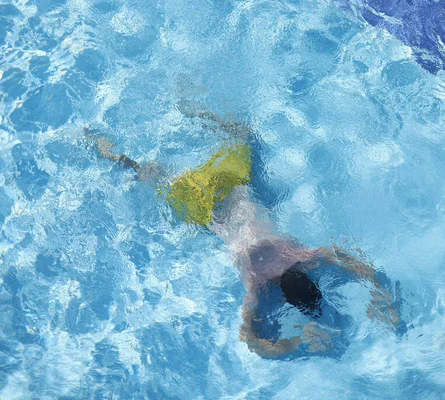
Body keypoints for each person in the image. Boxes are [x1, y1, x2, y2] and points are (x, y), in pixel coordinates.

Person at [84, 106, 405, 358]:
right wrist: (297, 345)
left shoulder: (302, 257)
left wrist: (382, 294)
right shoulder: (259, 284)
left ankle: (189, 111)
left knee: (243, 135)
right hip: (203, 207)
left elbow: (351, 260)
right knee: (145, 170)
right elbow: (253, 340)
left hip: (229, 184)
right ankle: (106, 149)